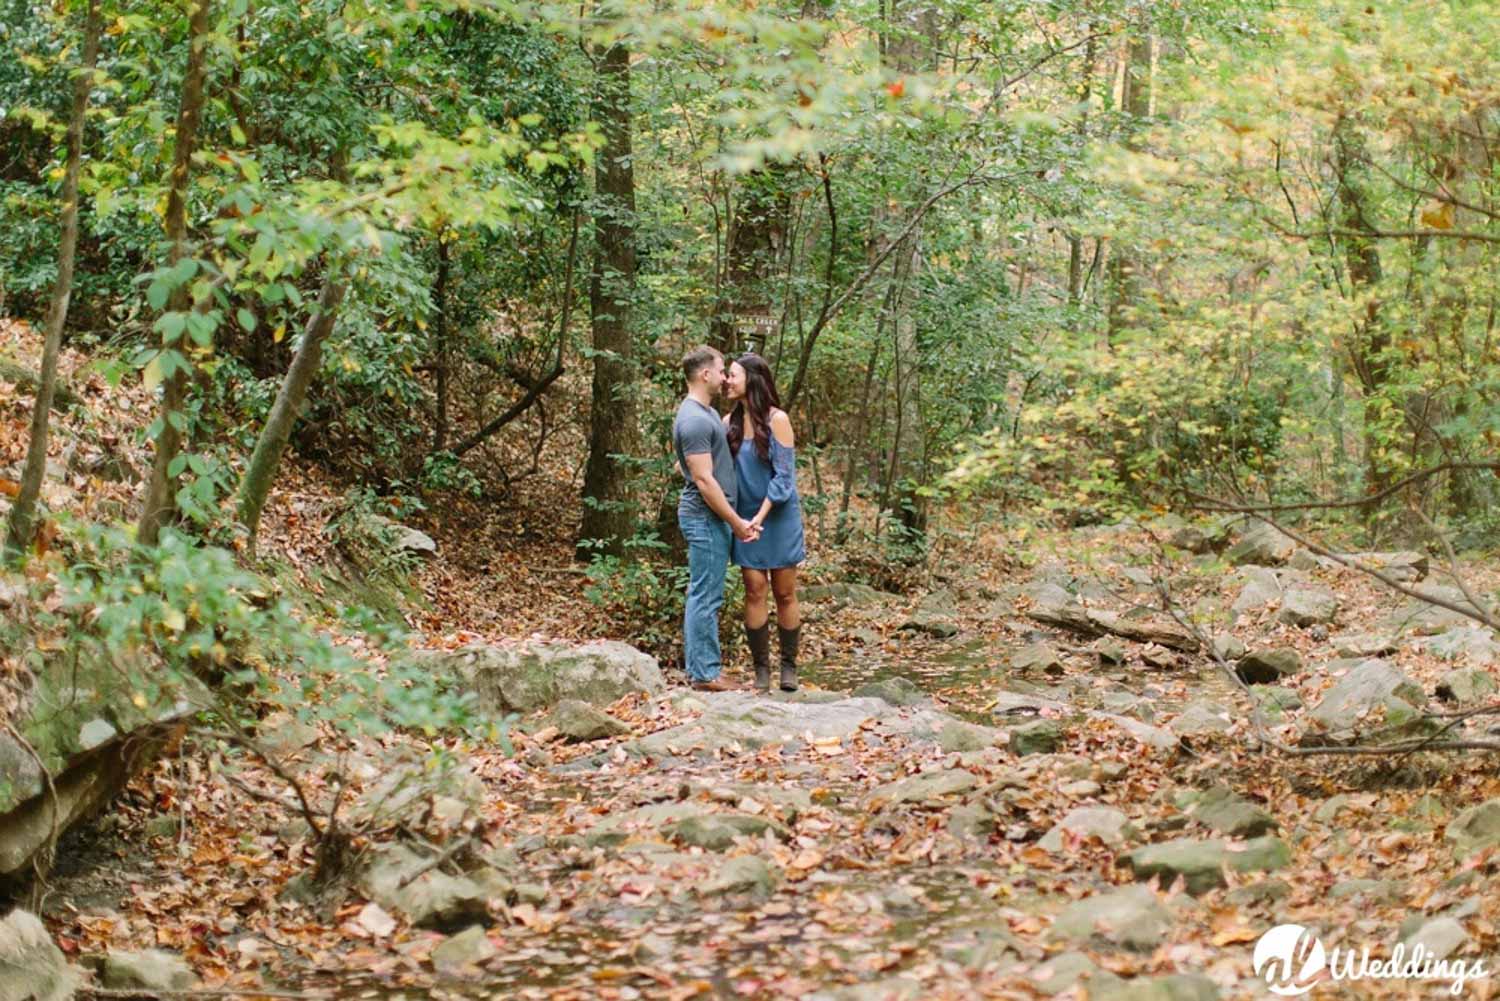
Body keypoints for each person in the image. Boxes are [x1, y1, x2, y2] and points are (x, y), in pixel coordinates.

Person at [672, 345, 760, 692]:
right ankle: (705, 674)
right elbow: (704, 480)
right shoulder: (694, 418)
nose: (725, 377)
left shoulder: (703, 413)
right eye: (722, 370)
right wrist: (737, 522)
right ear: (705, 374)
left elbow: (686, 464)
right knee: (705, 596)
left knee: (709, 595)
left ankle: (707, 669)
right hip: (705, 518)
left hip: (712, 517)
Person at [723, 353, 806, 693]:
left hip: (778, 516)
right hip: (745, 520)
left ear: (753, 379)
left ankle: (789, 667)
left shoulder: (778, 419)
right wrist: (740, 520)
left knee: (784, 593)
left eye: (733, 375)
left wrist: (758, 518)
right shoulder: (727, 421)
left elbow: (784, 479)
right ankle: (761, 671)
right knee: (754, 589)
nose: (727, 381)